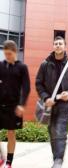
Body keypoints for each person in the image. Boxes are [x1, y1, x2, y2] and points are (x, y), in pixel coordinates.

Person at [36, 36, 68, 168]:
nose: (58, 45)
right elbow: (39, 84)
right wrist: (45, 98)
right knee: (52, 131)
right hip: (50, 104)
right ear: (53, 46)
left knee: (60, 130)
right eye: (55, 43)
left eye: (60, 43)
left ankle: (58, 160)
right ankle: (57, 157)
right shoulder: (45, 64)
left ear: (64, 46)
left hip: (65, 104)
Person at [0, 40, 31, 168]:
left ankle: (9, 162)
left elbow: (26, 87)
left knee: (11, 133)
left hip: (14, 106)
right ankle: (2, 157)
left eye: (9, 54)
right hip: (0, 105)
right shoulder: (0, 65)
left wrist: (22, 104)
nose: (7, 57)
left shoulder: (22, 67)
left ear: (15, 52)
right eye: (5, 54)